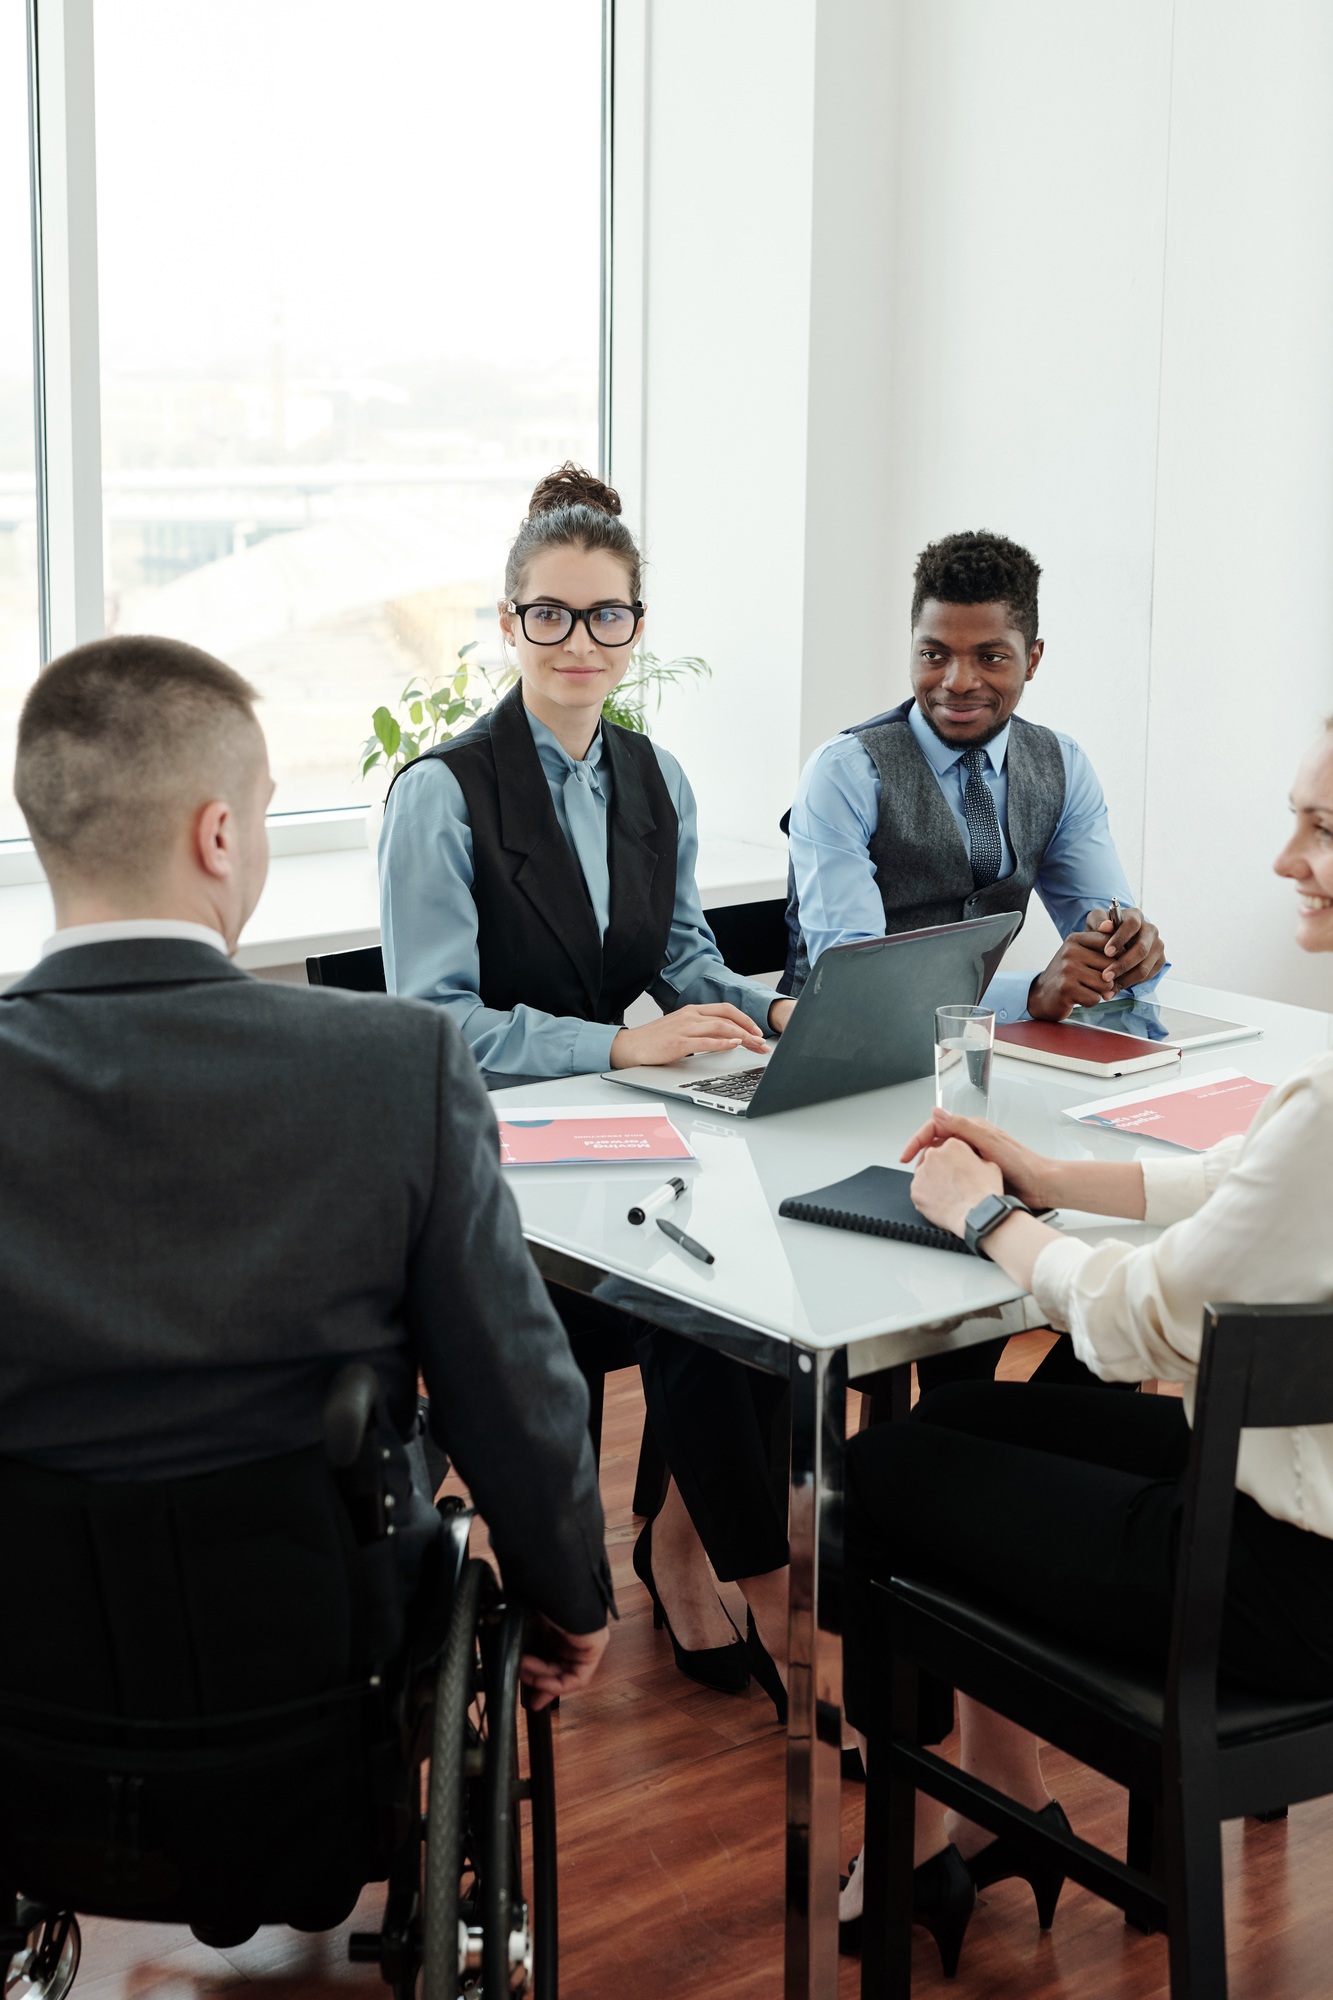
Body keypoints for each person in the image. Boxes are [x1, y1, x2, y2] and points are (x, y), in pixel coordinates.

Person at [4, 633, 611, 1715]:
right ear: (220, 833)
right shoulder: (393, 1066)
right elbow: (509, 1386)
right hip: (321, 1665)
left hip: (31, 1678)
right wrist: (570, 1593)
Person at [835, 717, 1333, 1973]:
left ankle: (928, 1832)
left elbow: (1134, 1318)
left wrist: (988, 1214)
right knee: (941, 1425)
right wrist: (1050, 1169)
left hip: (1275, 1587)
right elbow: (1244, 1180)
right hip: (1291, 1503)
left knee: (881, 1473)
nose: (1285, 858)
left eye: (1319, 828)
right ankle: (1005, 1785)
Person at [379, 463, 793, 1705]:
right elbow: (433, 1023)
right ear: (508, 625)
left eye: (605, 614)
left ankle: (700, 1551)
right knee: (698, 1305)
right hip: (495, 1178)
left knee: (735, 1299)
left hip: (618, 1148)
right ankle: (761, 1600)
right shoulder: (440, 796)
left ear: (636, 628)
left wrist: (772, 1009)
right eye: (548, 614)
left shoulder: (655, 779)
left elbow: (681, 961)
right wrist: (615, 1047)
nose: (578, 640)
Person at [784, 528, 1168, 1393]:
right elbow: (856, 976)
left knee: (1097, 1231)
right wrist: (1031, 991)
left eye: (988, 656)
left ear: (1032, 656)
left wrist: (1123, 954)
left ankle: (1004, 1453)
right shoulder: (845, 771)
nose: (956, 682)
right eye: (933, 654)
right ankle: (943, 1452)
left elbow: (1100, 924)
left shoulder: (1059, 766)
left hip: (980, 1085)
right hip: (844, 1082)